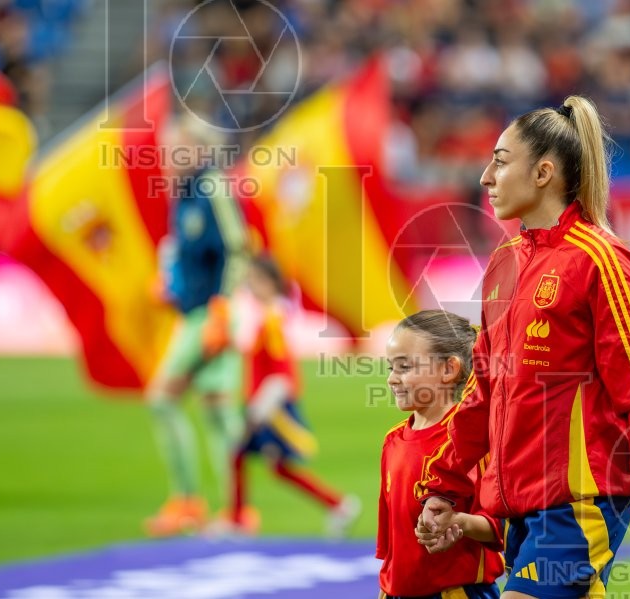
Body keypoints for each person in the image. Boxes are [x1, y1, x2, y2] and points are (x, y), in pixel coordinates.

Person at [415, 96, 630, 598]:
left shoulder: (599, 259)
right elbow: (483, 389)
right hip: (519, 504)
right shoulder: (504, 261)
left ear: (543, 173)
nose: (484, 177)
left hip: (580, 501)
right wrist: (446, 486)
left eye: (499, 160)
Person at [144, 114, 248, 536]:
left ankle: (194, 501)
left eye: (178, 148)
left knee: (163, 399)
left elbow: (238, 248)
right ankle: (233, 509)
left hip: (212, 314)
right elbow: (184, 252)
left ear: (201, 149)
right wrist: (171, 284)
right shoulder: (184, 193)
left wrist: (222, 309)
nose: (169, 157)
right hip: (194, 312)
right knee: (217, 411)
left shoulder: (212, 187)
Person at [219, 253, 361, 537]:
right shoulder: (268, 316)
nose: (251, 286)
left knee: (247, 457)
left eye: (256, 280)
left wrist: (260, 406)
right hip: (266, 403)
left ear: (271, 283)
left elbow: (281, 370)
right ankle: (337, 505)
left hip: (271, 406)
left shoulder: (271, 320)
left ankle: (238, 520)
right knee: (262, 462)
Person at [379, 310, 505, 598]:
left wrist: (459, 522)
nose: (391, 380)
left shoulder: (473, 442)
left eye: (404, 367)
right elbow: (391, 550)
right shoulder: (392, 441)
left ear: (449, 370)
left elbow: (501, 526)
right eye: (390, 368)